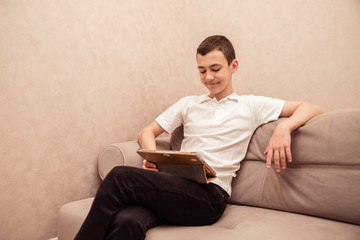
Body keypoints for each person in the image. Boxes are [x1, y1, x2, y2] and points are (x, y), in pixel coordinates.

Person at [75, 35, 323, 240]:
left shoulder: (250, 105)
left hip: (208, 198)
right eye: (202, 70)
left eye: (215, 69)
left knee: (120, 177)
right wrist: (152, 158)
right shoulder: (189, 104)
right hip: (174, 187)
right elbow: (146, 132)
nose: (208, 78)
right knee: (127, 220)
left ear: (233, 66)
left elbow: (310, 107)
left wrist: (284, 128)